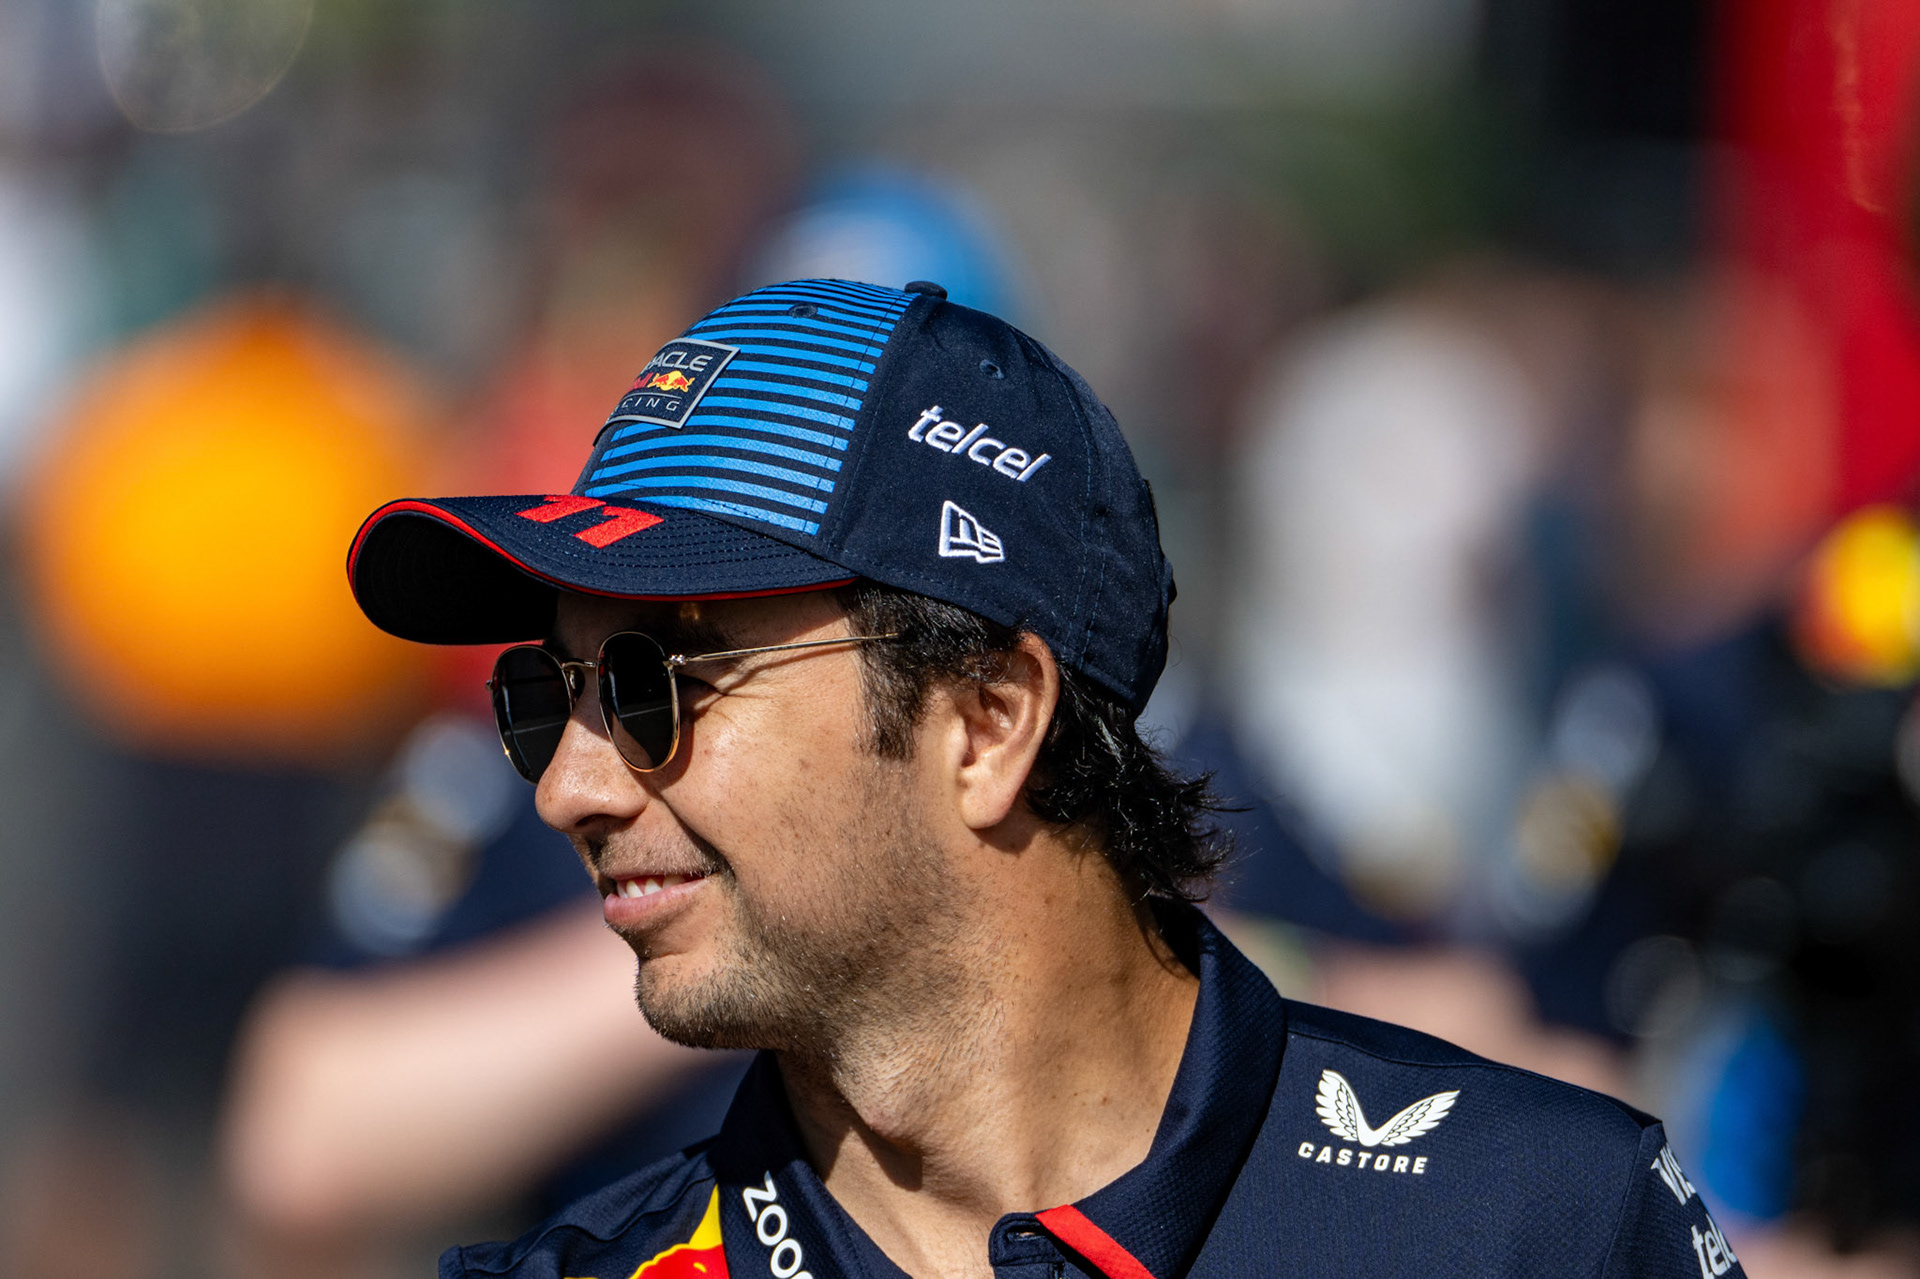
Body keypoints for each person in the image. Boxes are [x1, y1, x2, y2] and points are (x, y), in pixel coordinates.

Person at [344, 278, 1743, 1278]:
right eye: (552, 695)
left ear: (988, 720)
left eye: (662, 686)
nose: (570, 786)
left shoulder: (1531, 1224)